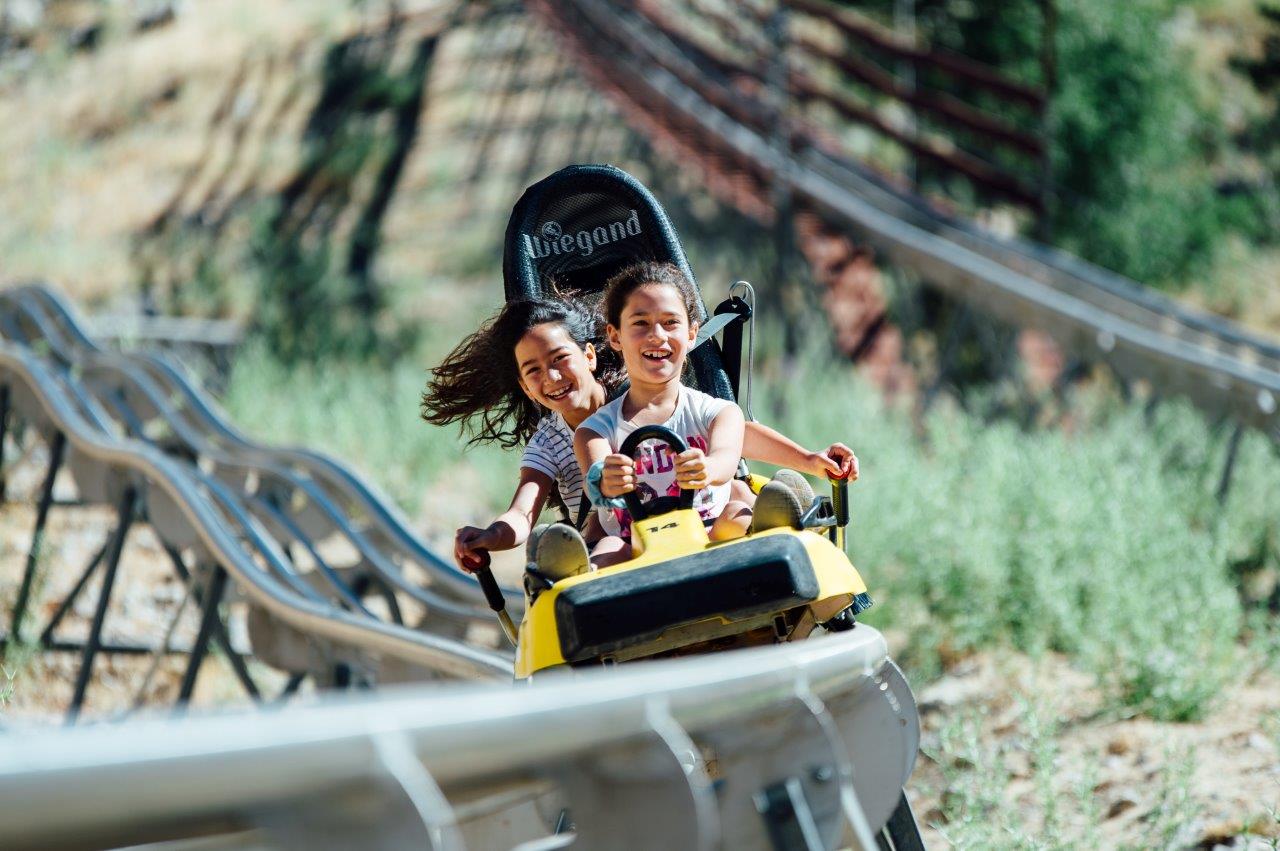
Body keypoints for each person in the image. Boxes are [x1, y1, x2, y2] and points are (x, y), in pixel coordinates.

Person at [420, 289, 859, 575]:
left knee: (741, 493)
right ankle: (582, 576)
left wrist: (808, 458)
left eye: (559, 359)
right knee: (595, 536)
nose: (551, 377)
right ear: (524, 386)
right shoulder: (556, 442)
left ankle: (776, 522)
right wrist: (490, 537)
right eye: (534, 371)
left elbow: (731, 426)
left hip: (702, 504)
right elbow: (523, 511)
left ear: (590, 355)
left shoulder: (637, 387)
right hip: (620, 526)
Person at [573, 261, 854, 569]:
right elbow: (595, 477)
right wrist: (608, 481)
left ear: (692, 334)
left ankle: (784, 522)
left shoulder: (718, 412)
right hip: (634, 548)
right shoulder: (595, 430)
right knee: (608, 547)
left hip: (709, 535)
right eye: (640, 323)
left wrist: (706, 467)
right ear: (615, 336)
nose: (657, 335)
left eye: (670, 323)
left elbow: (725, 459)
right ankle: (564, 567)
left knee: (736, 513)